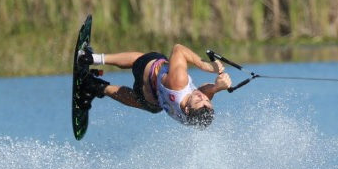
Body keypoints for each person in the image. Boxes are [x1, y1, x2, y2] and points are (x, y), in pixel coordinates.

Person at [78, 43, 233, 128]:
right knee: (148, 105)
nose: (202, 97)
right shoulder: (191, 118)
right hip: (152, 100)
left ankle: (90, 59)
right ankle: (95, 87)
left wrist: (205, 66)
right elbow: (202, 94)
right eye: (207, 101)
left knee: (142, 58)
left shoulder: (179, 81)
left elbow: (178, 49)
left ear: (187, 109)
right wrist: (215, 88)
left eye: (199, 101)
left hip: (146, 72)